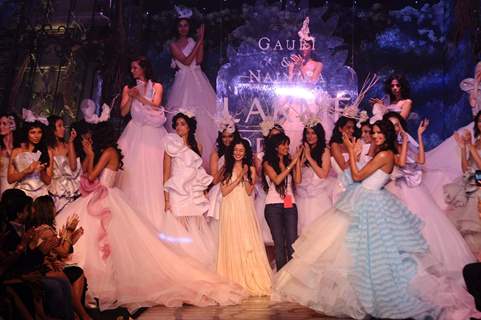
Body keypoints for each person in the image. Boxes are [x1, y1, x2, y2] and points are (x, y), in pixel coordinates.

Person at [272, 120, 480, 320]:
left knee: (374, 254)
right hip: (366, 199)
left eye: (380, 133)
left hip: (372, 202)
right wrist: (358, 151)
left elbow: (357, 174)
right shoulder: (380, 153)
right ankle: (364, 294)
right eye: (374, 133)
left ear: (387, 135)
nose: (376, 136)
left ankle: (380, 295)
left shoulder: (386, 155)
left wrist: (351, 153)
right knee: (356, 252)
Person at [55, 122, 247, 311]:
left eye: (90, 138)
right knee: (98, 239)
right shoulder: (103, 152)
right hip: (97, 198)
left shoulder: (109, 152)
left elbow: (90, 177)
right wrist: (89, 156)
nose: (88, 141)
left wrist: (89, 154)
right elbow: (88, 173)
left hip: (106, 198)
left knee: (106, 239)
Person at [384, 111, 475, 276]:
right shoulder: (387, 147)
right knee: (408, 226)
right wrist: (404, 142)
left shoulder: (402, 141)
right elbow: (402, 163)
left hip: (415, 188)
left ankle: (439, 264)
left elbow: (421, 160)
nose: (396, 128)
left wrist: (418, 136)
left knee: (429, 222)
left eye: (398, 125)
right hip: (399, 188)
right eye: (392, 125)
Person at [117, 56, 168, 230]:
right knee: (131, 171)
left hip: (152, 133)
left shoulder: (156, 86)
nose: (132, 71)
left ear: (144, 69)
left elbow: (155, 105)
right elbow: (123, 112)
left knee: (152, 170)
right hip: (134, 131)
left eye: (135, 68)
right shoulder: (128, 88)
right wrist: (131, 97)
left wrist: (139, 97)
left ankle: (152, 215)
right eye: (131, 68)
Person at [217, 139, 272, 296]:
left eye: (241, 150)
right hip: (229, 207)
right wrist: (238, 177)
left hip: (244, 207)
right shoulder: (226, 168)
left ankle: (249, 277)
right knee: (231, 240)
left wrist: (246, 175)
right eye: (236, 149)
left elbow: (249, 191)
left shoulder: (252, 169)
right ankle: (232, 277)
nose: (238, 153)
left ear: (246, 152)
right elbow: (224, 191)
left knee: (245, 240)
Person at [163, 112, 216, 268]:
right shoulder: (170, 146)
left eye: (182, 123)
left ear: (189, 126)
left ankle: (195, 263)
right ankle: (180, 264)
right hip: (176, 192)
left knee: (195, 227)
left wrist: (203, 192)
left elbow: (198, 172)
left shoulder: (198, 146)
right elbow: (165, 174)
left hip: (193, 193)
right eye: (177, 124)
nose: (179, 127)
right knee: (179, 228)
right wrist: (166, 200)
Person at [167, 13, 217, 166]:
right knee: (182, 114)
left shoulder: (192, 41)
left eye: (186, 25)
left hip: (198, 80)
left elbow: (199, 60)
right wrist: (200, 40)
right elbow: (187, 61)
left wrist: (199, 42)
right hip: (183, 82)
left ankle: (204, 159)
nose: (183, 28)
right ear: (176, 27)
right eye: (180, 25)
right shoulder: (173, 44)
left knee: (204, 117)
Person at [262, 133, 302, 270]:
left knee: (292, 242)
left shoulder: (288, 161)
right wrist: (292, 163)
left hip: (289, 203)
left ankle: (290, 279)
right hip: (273, 205)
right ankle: (281, 277)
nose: (286, 147)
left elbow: (297, 181)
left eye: (287, 145)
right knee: (279, 243)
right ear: (275, 147)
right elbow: (277, 180)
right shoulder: (267, 163)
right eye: (283, 144)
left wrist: (296, 163)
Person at [444, 111, 481, 257]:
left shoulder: (475, 144)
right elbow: (466, 169)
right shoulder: (477, 140)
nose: (480, 124)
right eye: (478, 121)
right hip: (474, 179)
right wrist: (463, 148)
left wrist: (471, 147)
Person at [296, 122, 331, 234]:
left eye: (313, 133)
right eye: (308, 133)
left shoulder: (324, 151)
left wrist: (309, 157)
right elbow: (296, 177)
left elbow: (323, 174)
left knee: (318, 232)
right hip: (302, 195)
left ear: (319, 135)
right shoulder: (300, 149)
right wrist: (300, 161)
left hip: (318, 197)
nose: (310, 136)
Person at [8, 113, 52, 199]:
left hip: (41, 195)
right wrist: (26, 171)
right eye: (33, 132)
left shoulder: (47, 151)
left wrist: (42, 171)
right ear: (26, 133)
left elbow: (48, 181)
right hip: (22, 194)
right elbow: (10, 179)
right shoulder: (16, 151)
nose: (36, 136)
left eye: (39, 132)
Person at [46, 116, 81, 212]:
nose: (63, 129)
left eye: (63, 126)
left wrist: (71, 142)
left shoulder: (67, 145)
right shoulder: (48, 148)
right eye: (59, 126)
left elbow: (73, 167)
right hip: (55, 189)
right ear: (52, 129)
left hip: (69, 188)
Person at [0, 113, 19, 194]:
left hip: (18, 186)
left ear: (12, 126)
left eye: (4, 124)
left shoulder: (19, 147)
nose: (0, 127)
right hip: (2, 186)